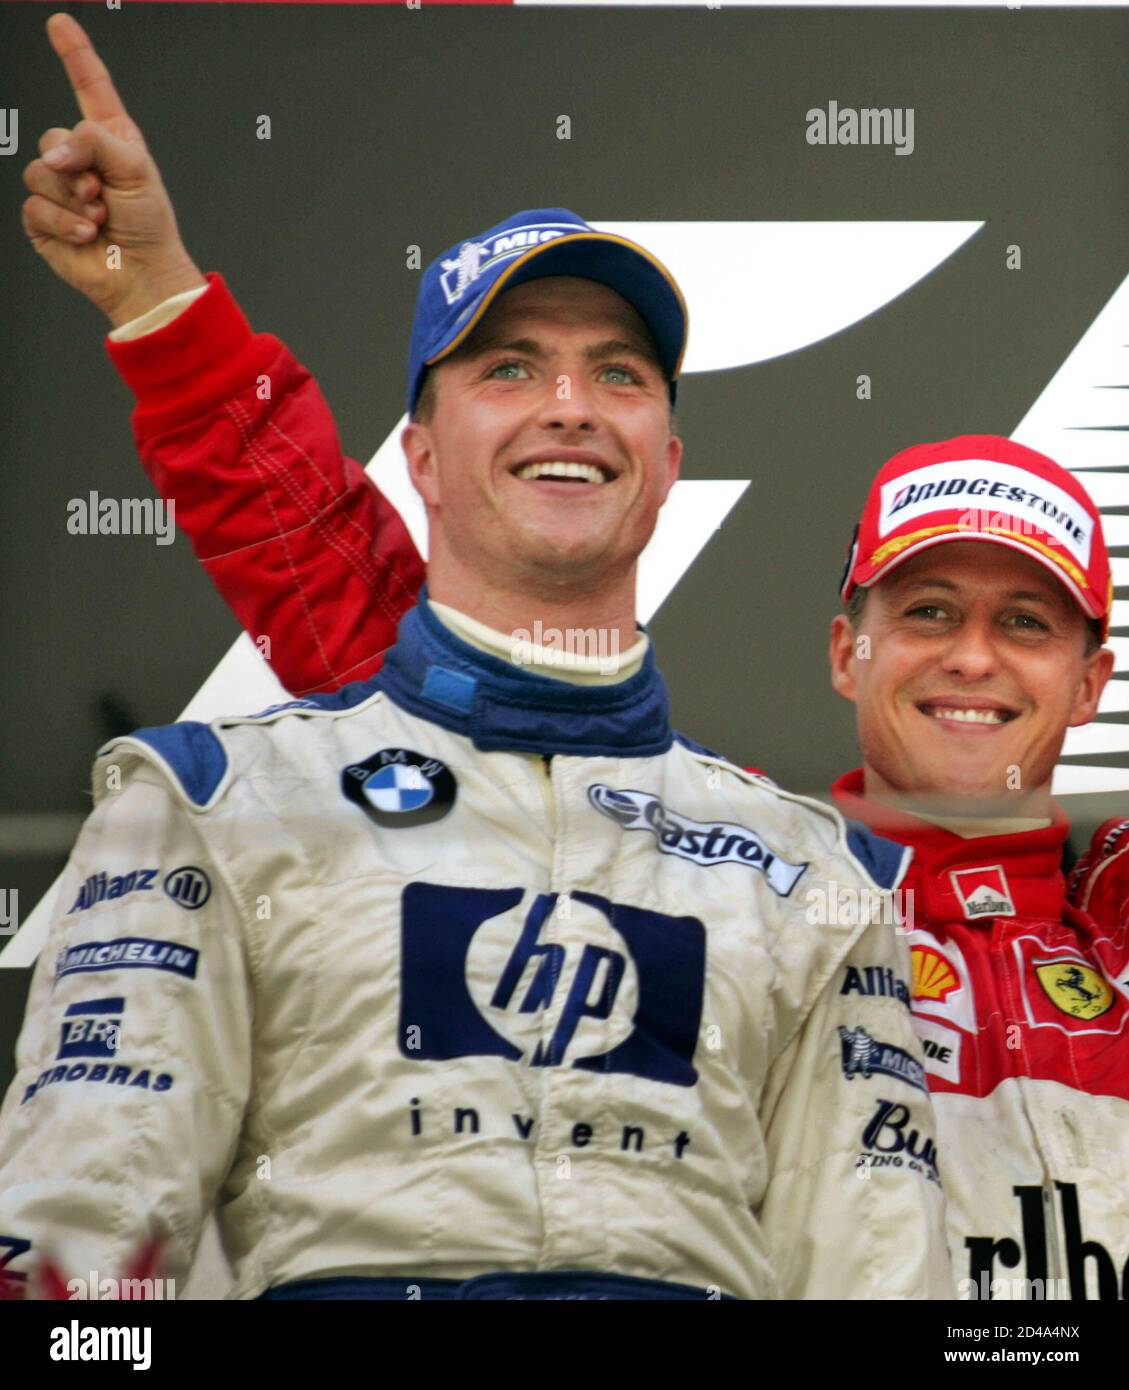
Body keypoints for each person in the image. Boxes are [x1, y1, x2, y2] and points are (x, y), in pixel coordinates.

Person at [0, 13, 951, 1301]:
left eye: (618, 373)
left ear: (667, 462)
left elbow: (884, 1286)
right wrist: (160, 301)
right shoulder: (207, 813)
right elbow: (71, 1279)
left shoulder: (810, 879)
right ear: (424, 456)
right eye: (510, 366)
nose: (569, 402)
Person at [829, 436, 1129, 1300]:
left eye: (1024, 622)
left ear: (1086, 684)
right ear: (848, 652)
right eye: (928, 610)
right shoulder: (751, 902)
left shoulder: (1113, 932)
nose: (970, 656)